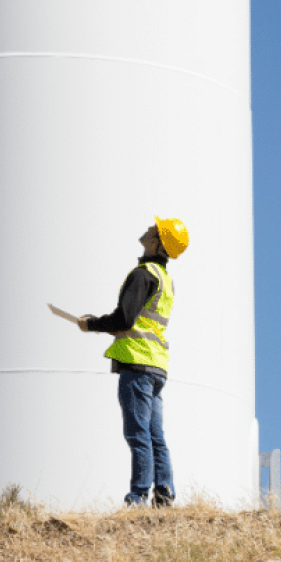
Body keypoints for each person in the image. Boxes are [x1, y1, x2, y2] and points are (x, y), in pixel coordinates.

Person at [75, 216, 190, 506]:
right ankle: (164, 494)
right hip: (156, 365)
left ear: (157, 243)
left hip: (137, 363)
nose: (149, 229)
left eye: (155, 230)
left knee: (138, 434)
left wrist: (91, 324)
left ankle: (138, 496)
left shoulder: (143, 275)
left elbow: (124, 319)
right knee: (155, 435)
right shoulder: (165, 280)